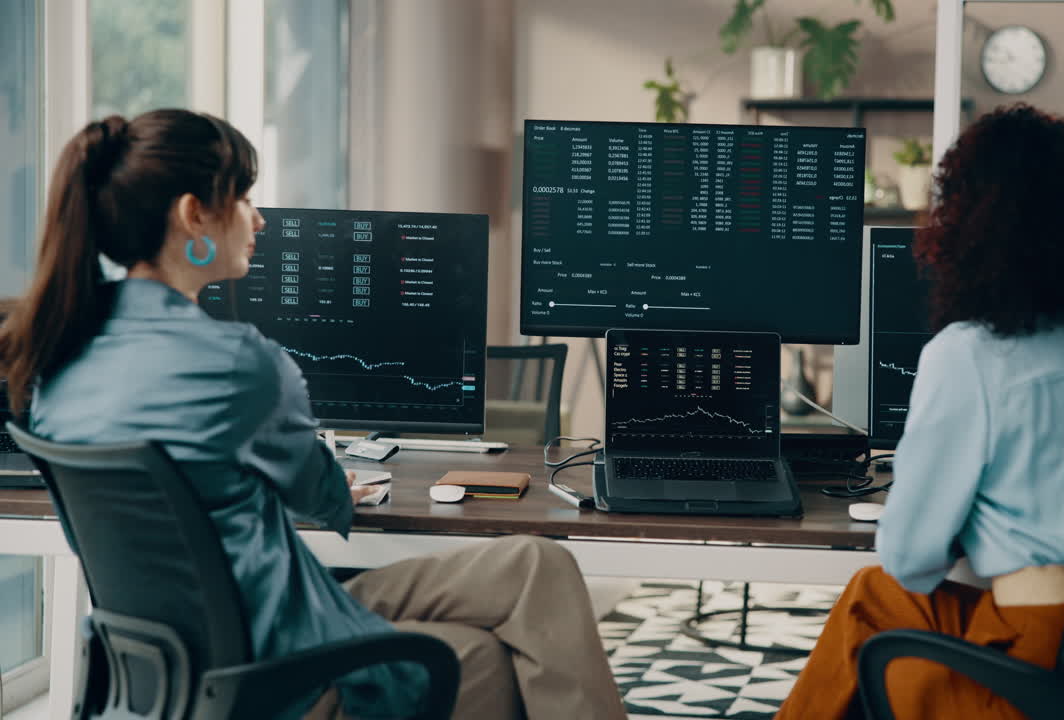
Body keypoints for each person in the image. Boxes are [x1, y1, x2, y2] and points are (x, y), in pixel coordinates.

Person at [0, 109, 627, 720]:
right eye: (243, 197)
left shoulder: (54, 358)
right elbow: (325, 498)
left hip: (183, 664)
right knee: (489, 656)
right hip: (281, 671)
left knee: (535, 565)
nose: (260, 218)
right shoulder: (238, 361)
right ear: (194, 215)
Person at [775, 104, 1064, 720]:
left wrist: (973, 533)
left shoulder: (970, 355)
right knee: (870, 595)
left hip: (1030, 683)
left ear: (971, 227)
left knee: (876, 596)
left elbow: (910, 557)